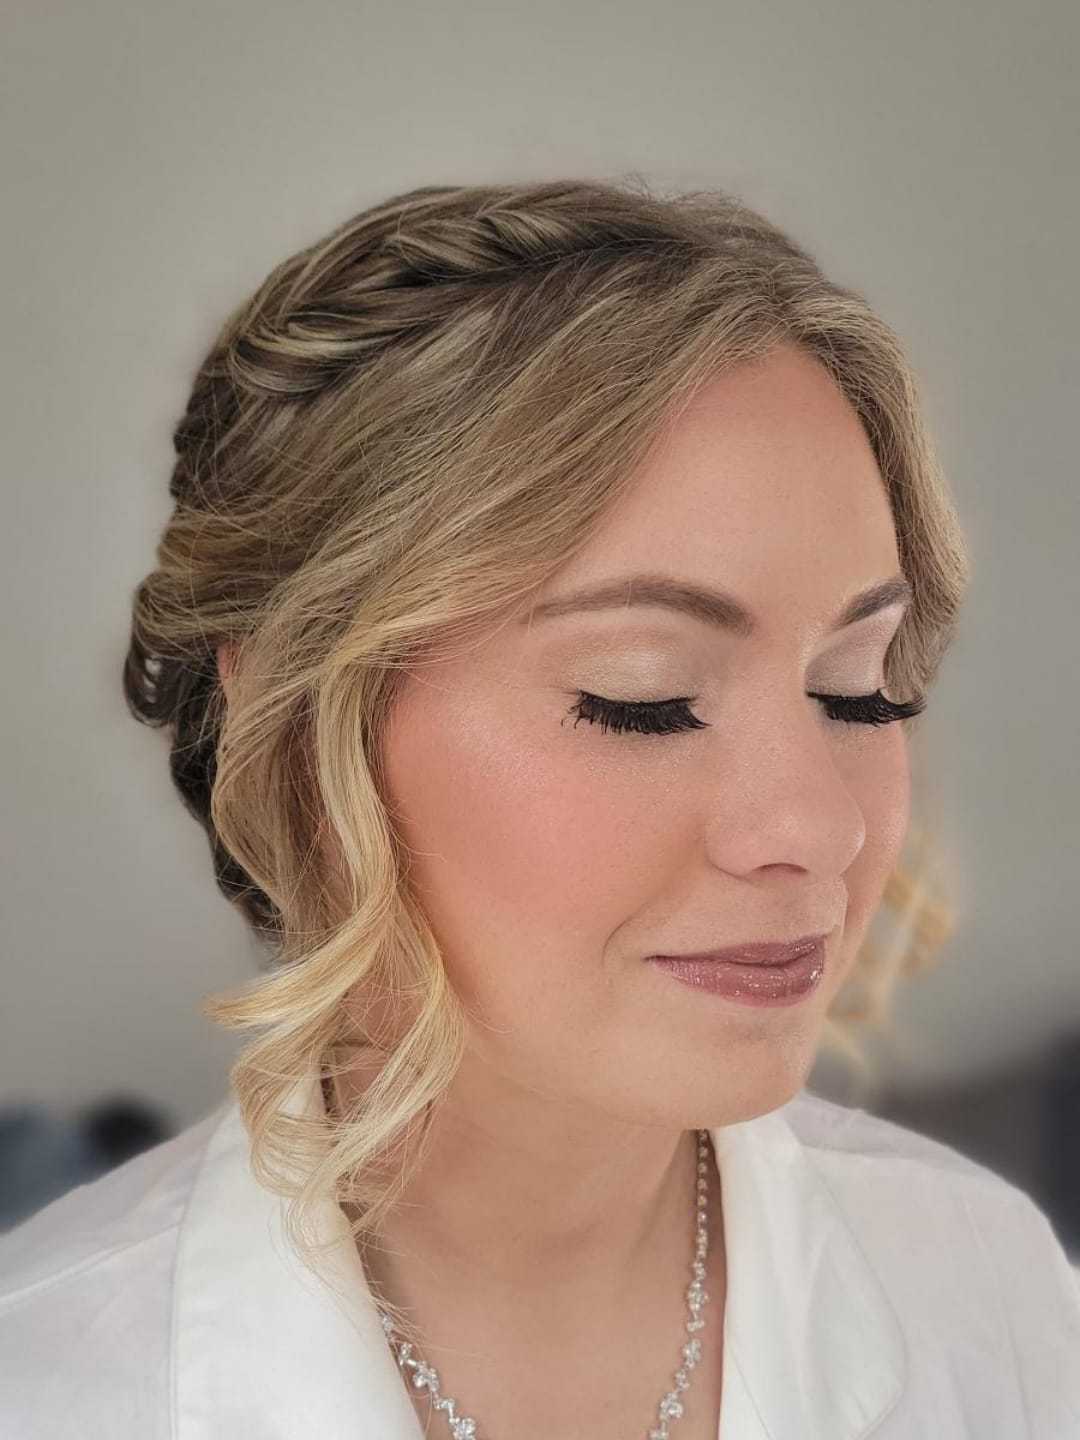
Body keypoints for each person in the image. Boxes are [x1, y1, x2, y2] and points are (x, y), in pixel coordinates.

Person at [1, 178, 1078, 1439]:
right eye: (646, 698)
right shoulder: (51, 1391)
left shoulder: (997, 1302)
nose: (819, 828)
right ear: (291, 731)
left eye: (859, 688)